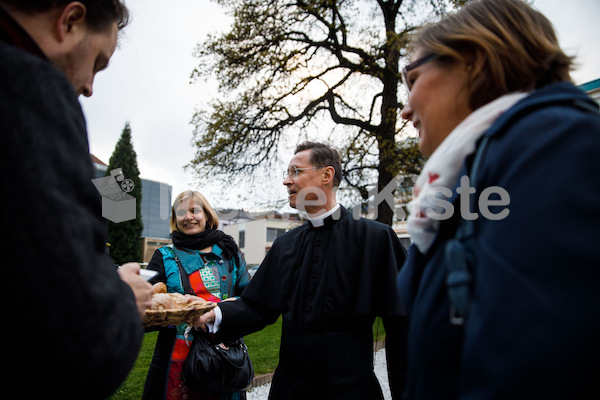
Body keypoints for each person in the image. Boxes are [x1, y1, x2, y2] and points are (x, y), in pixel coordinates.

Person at [397, 0, 600, 399]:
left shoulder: (553, 143)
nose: (404, 110)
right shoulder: (478, 173)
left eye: (412, 78)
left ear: (472, 60)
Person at [0, 0, 153, 398]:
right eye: (97, 63)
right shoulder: (31, 91)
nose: (88, 85)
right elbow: (76, 336)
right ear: (69, 20)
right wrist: (120, 298)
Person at [198, 142, 408, 400]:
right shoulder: (285, 244)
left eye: (295, 172)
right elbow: (258, 307)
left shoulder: (376, 238)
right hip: (290, 390)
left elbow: (402, 327)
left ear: (326, 175)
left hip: (352, 389)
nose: (287, 181)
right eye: (287, 174)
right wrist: (215, 314)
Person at [143, 190, 251, 400]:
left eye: (194, 210)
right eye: (181, 212)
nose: (188, 217)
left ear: (207, 215)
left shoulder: (230, 251)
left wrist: (227, 307)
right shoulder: (164, 256)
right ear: (175, 219)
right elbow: (147, 302)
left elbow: (250, 298)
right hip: (176, 356)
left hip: (224, 354)